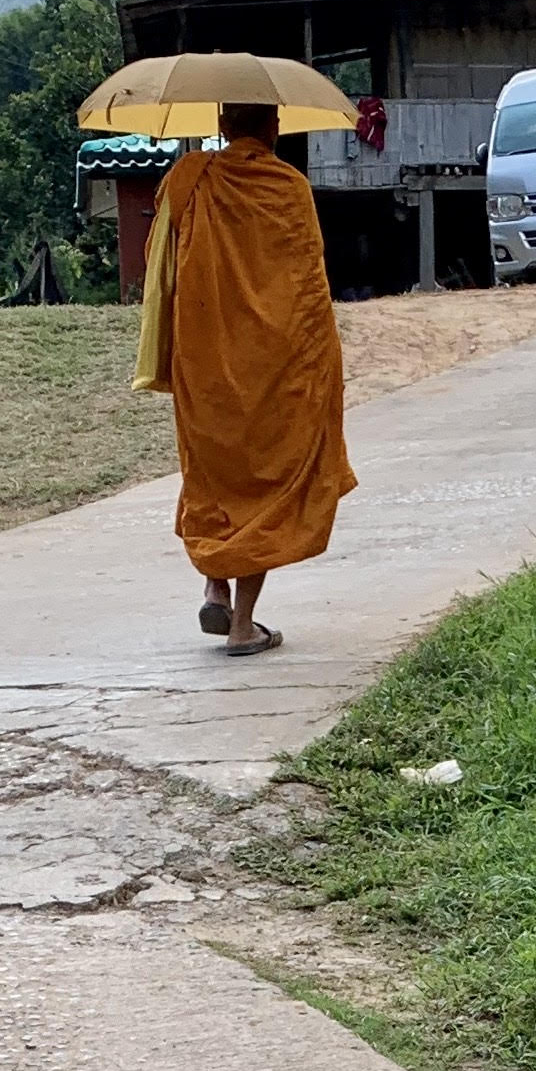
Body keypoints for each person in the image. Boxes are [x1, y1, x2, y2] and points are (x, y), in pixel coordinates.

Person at [133, 102, 356, 656]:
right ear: (274, 128)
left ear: (224, 126)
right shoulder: (289, 187)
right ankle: (243, 625)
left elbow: (160, 268)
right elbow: (309, 288)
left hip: (204, 359)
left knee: (212, 475)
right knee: (269, 481)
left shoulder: (188, 179)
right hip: (277, 366)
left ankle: (216, 585)